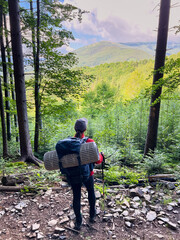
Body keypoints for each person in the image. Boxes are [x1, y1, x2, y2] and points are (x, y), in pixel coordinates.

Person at [70, 118, 104, 230]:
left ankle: (78, 222)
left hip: (74, 175)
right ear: (85, 129)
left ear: (75, 128)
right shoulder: (90, 142)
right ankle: (92, 215)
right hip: (88, 174)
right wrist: (102, 156)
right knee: (91, 192)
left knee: (76, 197)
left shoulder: (69, 142)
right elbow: (98, 160)